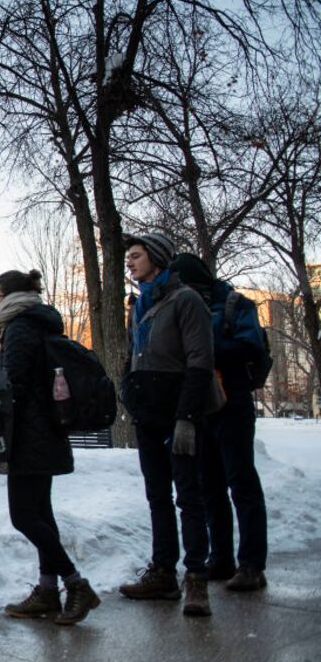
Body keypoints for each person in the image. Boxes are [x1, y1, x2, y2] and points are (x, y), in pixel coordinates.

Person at [118, 232, 221, 617]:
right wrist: (128, 387)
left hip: (180, 412)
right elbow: (133, 354)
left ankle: (196, 578)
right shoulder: (139, 303)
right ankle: (163, 571)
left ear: (157, 258)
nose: (129, 261)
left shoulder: (186, 300)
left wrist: (187, 418)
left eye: (136, 255)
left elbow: (199, 362)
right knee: (157, 494)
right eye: (128, 257)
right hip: (148, 414)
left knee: (188, 495)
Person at [0, 270, 100, 625]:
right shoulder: (39, 322)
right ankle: (48, 589)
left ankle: (75, 583)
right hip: (46, 433)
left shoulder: (20, 328)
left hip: (28, 437)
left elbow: (15, 385)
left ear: (9, 296)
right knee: (41, 514)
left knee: (23, 516)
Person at [170, 253, 268, 592]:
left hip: (232, 401)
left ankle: (252, 565)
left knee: (241, 482)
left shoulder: (234, 304)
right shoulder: (181, 307)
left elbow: (250, 346)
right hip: (199, 406)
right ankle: (221, 559)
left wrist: (202, 350)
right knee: (208, 485)